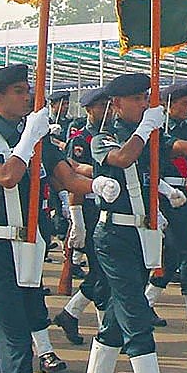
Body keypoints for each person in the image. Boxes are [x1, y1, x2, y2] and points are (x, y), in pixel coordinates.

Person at [0, 63, 122, 373]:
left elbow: (65, 176)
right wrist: (29, 138)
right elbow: (7, 177)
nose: (27, 96)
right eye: (19, 91)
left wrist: (96, 185)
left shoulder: (35, 136)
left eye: (28, 89)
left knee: (9, 339)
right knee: (17, 343)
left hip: (29, 248)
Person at [76, 73, 187, 373]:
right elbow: (123, 158)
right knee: (135, 315)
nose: (144, 104)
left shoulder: (150, 134)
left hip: (142, 234)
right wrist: (145, 129)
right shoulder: (103, 137)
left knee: (115, 317)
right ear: (117, 104)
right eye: (138, 99)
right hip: (114, 236)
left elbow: (186, 149)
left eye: (146, 98)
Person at [144, 82, 187, 335]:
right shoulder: (157, 131)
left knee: (172, 255)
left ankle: (147, 302)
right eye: (183, 104)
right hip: (163, 195)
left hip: (185, 195)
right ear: (168, 105)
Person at [54, 87, 112, 345]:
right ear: (89, 110)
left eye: (108, 105)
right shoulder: (81, 139)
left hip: (106, 206)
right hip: (87, 206)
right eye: (101, 106)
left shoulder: (110, 135)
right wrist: (76, 220)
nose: (107, 111)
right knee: (101, 269)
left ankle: (73, 314)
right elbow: (72, 176)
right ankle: (94, 323)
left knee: (103, 271)